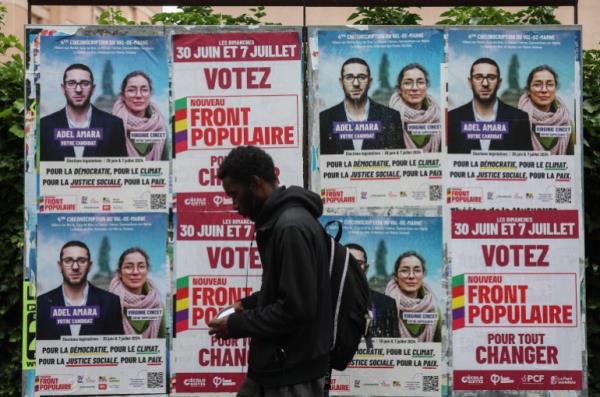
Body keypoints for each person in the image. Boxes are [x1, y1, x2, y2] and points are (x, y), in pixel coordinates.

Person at [208, 146, 331, 397]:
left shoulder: (291, 227)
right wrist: (247, 304)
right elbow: (286, 288)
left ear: (254, 184)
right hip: (275, 367)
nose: (234, 205)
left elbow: (297, 309)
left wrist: (236, 325)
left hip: (293, 375)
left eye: (235, 195)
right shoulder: (282, 222)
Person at [36, 240, 125, 340]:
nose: (75, 267)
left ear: (90, 266)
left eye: (81, 261)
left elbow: (117, 348)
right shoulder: (41, 303)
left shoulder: (111, 302)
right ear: (59, 266)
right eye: (68, 261)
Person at [40, 63, 127, 161]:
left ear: (93, 89)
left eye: (85, 83)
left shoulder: (114, 125)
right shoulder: (44, 125)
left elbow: (120, 170)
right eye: (71, 83)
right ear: (63, 88)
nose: (78, 89)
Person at [319, 57, 404, 154]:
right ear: (341, 82)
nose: (356, 83)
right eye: (349, 77)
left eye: (362, 77)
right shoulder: (324, 119)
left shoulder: (391, 117)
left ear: (370, 82)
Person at [448, 57, 532, 153]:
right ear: (470, 82)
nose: (485, 83)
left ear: (499, 83)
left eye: (491, 78)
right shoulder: (452, 118)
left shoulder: (520, 118)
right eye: (478, 77)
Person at [109, 247, 166, 338]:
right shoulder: (108, 305)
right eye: (128, 267)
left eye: (141, 266)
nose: (135, 272)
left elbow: (163, 345)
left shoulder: (158, 305)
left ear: (147, 271)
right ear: (120, 272)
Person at [385, 251, 441, 342]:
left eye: (417, 270)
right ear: (396, 276)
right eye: (405, 270)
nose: (411, 276)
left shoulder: (434, 310)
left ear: (423, 275)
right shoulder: (384, 308)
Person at [518, 65, 574, 155]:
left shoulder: (567, 123)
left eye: (550, 84)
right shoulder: (517, 121)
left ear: (555, 89)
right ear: (528, 90)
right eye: (537, 84)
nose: (544, 90)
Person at [112, 71, 168, 160]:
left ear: (150, 94)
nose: (138, 95)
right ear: (123, 95)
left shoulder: (159, 127)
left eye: (144, 90)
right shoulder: (112, 127)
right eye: (131, 90)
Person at [346, 243, 399, 337]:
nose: (353, 267)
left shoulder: (386, 304)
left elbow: (393, 343)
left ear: (366, 269)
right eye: (347, 262)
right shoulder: (325, 302)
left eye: (358, 263)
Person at [389, 63, 441, 152]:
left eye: (420, 82)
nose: (415, 88)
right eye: (408, 83)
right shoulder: (389, 118)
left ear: (426, 86)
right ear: (399, 89)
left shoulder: (438, 116)